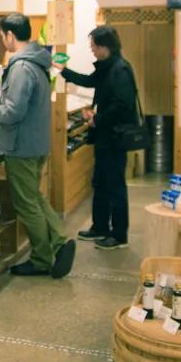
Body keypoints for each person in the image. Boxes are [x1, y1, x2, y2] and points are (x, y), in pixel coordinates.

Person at [0, 13, 76, 278]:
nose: (2, 40)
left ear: (10, 35)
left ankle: (43, 258)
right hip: (37, 143)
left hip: (21, 146)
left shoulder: (21, 66)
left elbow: (13, 112)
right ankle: (59, 240)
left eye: (2, 36)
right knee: (34, 197)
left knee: (26, 204)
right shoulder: (38, 62)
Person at [54, 25, 138, 250]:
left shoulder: (120, 69)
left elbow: (123, 105)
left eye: (93, 46)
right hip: (103, 135)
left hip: (114, 136)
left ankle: (119, 235)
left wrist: (97, 119)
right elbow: (90, 81)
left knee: (115, 186)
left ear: (104, 47)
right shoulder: (107, 67)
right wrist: (63, 70)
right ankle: (100, 226)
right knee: (100, 182)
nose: (91, 50)